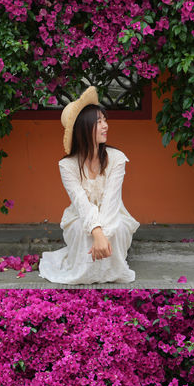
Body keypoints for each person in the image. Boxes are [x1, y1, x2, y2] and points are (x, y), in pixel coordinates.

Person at [38, 85, 139, 284]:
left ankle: (111, 270)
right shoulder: (67, 165)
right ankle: (86, 270)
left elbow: (112, 201)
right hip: (81, 216)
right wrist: (96, 233)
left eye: (105, 120)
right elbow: (80, 202)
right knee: (78, 229)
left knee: (117, 228)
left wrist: (103, 234)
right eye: (99, 122)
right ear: (84, 128)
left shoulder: (116, 158)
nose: (105, 126)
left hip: (112, 215)